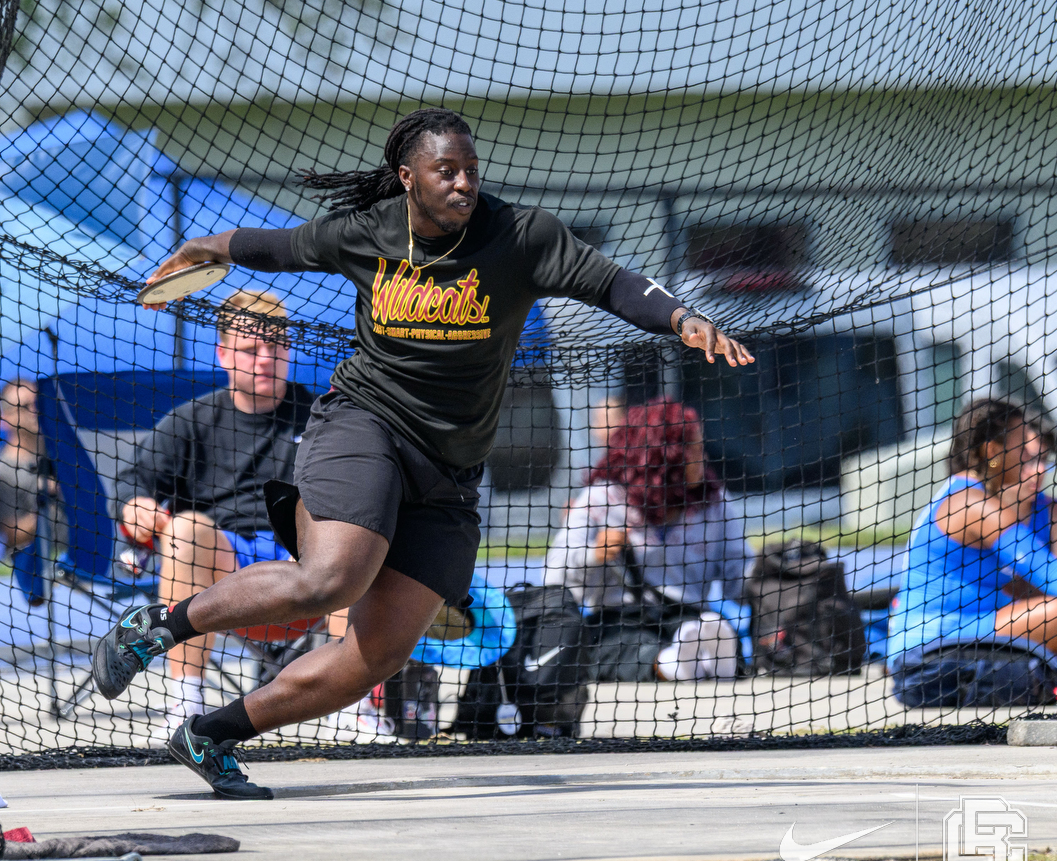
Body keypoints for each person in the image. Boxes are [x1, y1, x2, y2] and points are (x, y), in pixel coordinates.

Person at [91, 107, 754, 799]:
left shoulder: (522, 236)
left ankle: (212, 733)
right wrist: (208, 246)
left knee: (376, 655)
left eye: (471, 169)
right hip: (364, 427)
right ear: (409, 178)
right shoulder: (369, 233)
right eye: (446, 171)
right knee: (333, 579)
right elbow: (277, 246)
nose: (464, 183)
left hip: (449, 473)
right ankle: (155, 630)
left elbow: (611, 282)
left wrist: (682, 316)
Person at [113, 289, 315, 742]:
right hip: (225, 578)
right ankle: (185, 707)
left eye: (275, 347)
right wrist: (134, 506)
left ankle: (359, 706)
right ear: (224, 354)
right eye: (249, 349)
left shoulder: (323, 416)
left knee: (355, 528)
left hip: (311, 569)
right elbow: (131, 481)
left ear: (289, 349)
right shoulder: (190, 421)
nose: (264, 359)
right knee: (186, 526)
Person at [544, 398, 751, 681]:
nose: (702, 457)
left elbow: (739, 571)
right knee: (620, 647)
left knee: (698, 630)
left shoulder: (714, 500)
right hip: (620, 619)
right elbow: (553, 573)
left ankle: (713, 660)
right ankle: (670, 665)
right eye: (692, 448)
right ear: (663, 455)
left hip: (686, 616)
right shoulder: (602, 499)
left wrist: (770, 574)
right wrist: (594, 553)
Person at [886, 397, 1057, 664]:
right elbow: (1047, 572)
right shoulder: (972, 505)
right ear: (992, 452)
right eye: (1022, 447)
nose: (1031, 461)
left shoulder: (976, 497)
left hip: (966, 639)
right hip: (930, 655)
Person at [0, 378, 55, 557]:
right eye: (25, 407)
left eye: (38, 403)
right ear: (6, 418)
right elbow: (9, 534)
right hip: (31, 566)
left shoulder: (63, 455)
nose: (35, 411)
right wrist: (49, 498)